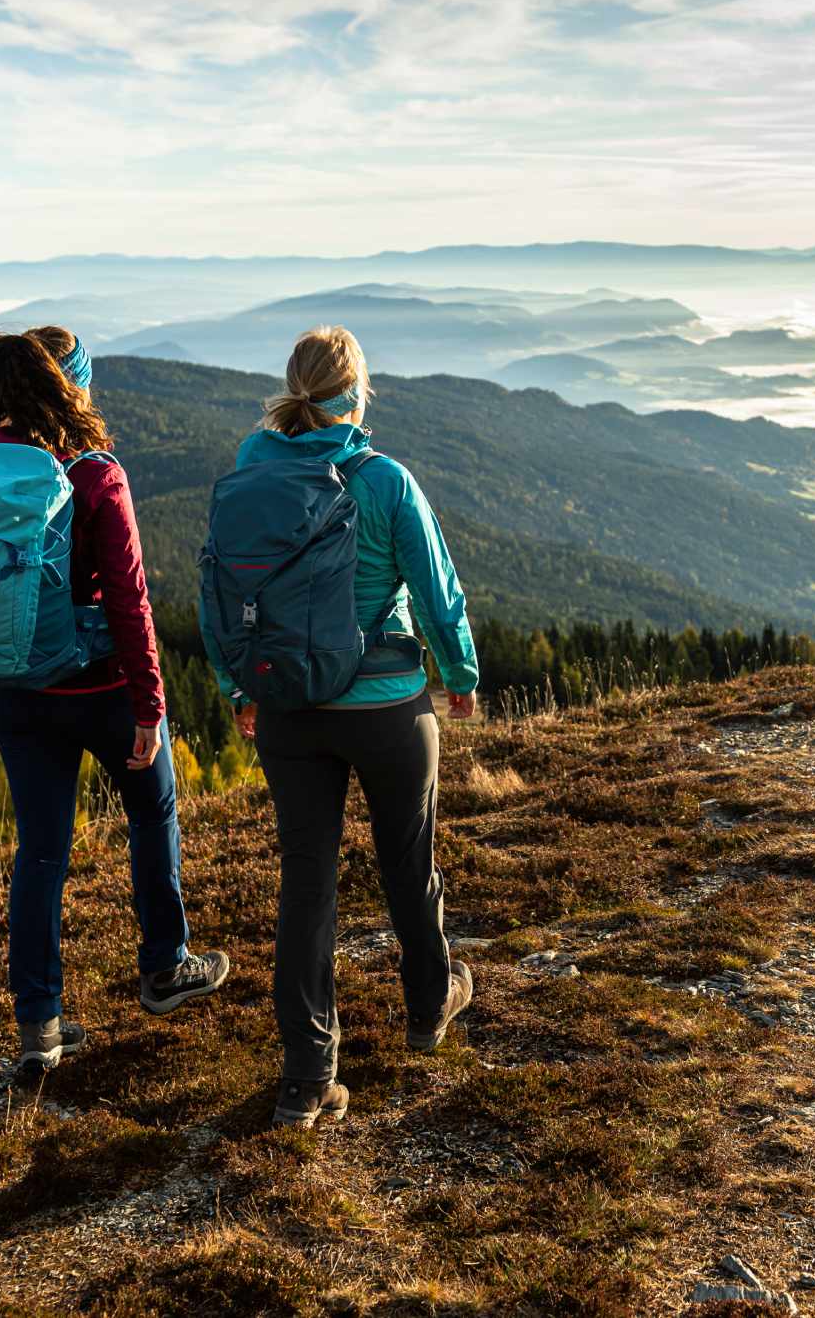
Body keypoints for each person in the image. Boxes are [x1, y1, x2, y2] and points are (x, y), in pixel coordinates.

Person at [203, 325, 480, 1130]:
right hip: (388, 706)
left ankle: (305, 1079)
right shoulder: (386, 480)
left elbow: (215, 592)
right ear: (358, 394)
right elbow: (436, 586)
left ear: (292, 391)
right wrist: (458, 674)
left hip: (289, 709)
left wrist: (236, 687)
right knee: (407, 861)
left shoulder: (250, 476)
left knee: (307, 885)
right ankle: (429, 1006)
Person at [0, 326, 229, 1080]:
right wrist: (150, 705)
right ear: (72, 388)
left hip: (17, 693)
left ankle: (38, 1027)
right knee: (152, 811)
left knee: (41, 854)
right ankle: (165, 967)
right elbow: (131, 601)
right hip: (104, 687)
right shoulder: (95, 475)